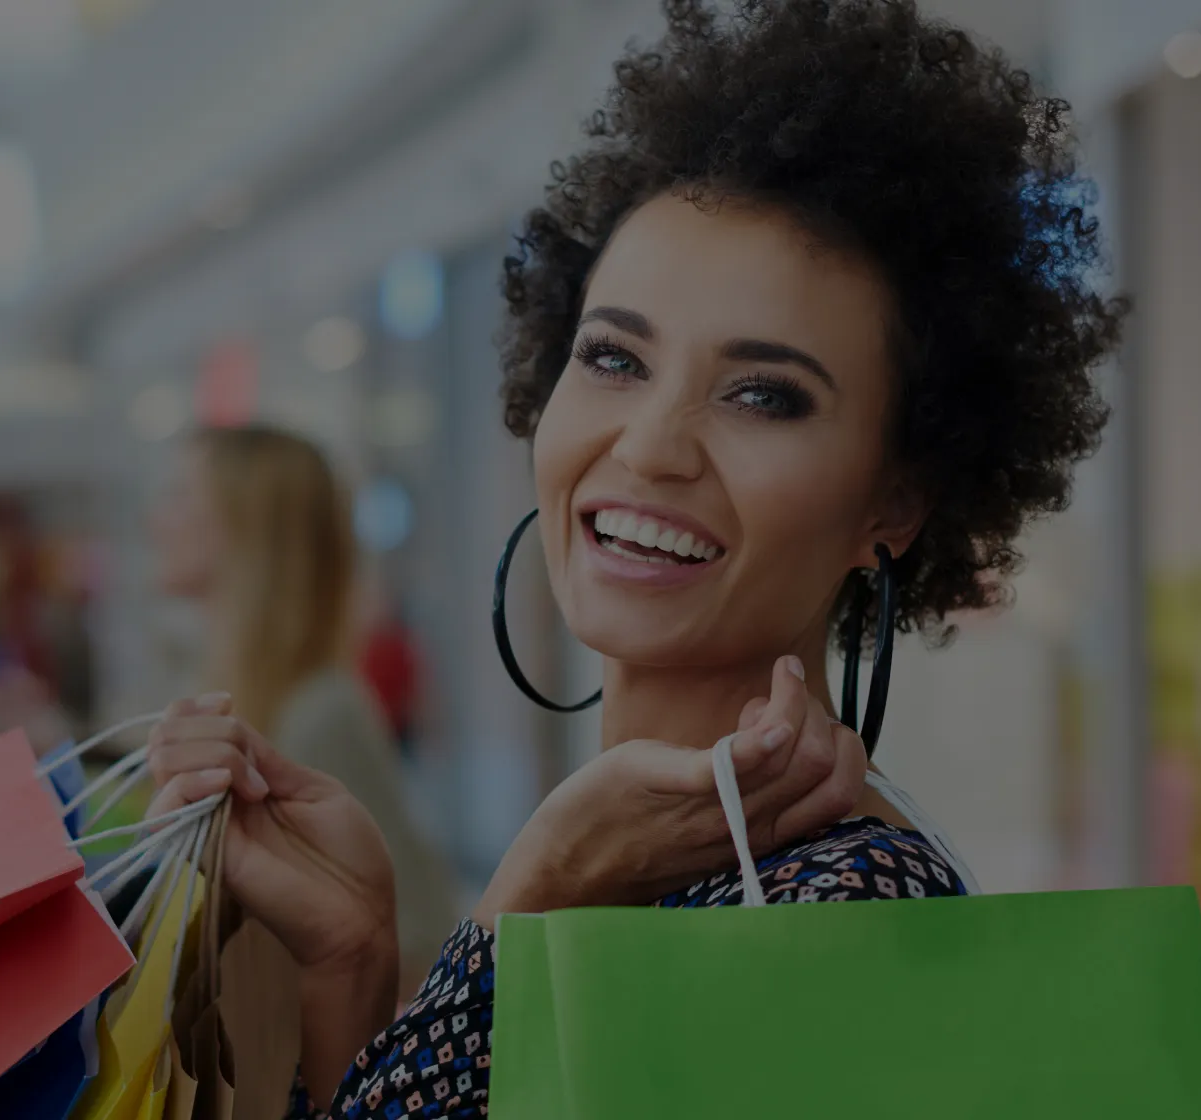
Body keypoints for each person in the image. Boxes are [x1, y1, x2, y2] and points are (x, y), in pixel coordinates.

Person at [147, 2, 1127, 1115]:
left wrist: (526, 901)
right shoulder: (641, 857)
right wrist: (351, 958)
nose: (651, 446)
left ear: (895, 499)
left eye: (764, 394)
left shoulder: (836, 906)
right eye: (613, 356)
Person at [151, 423, 459, 995]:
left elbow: (416, 944)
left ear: (246, 525)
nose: (158, 521)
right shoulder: (230, 695)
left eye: (180, 496)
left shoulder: (321, 712)